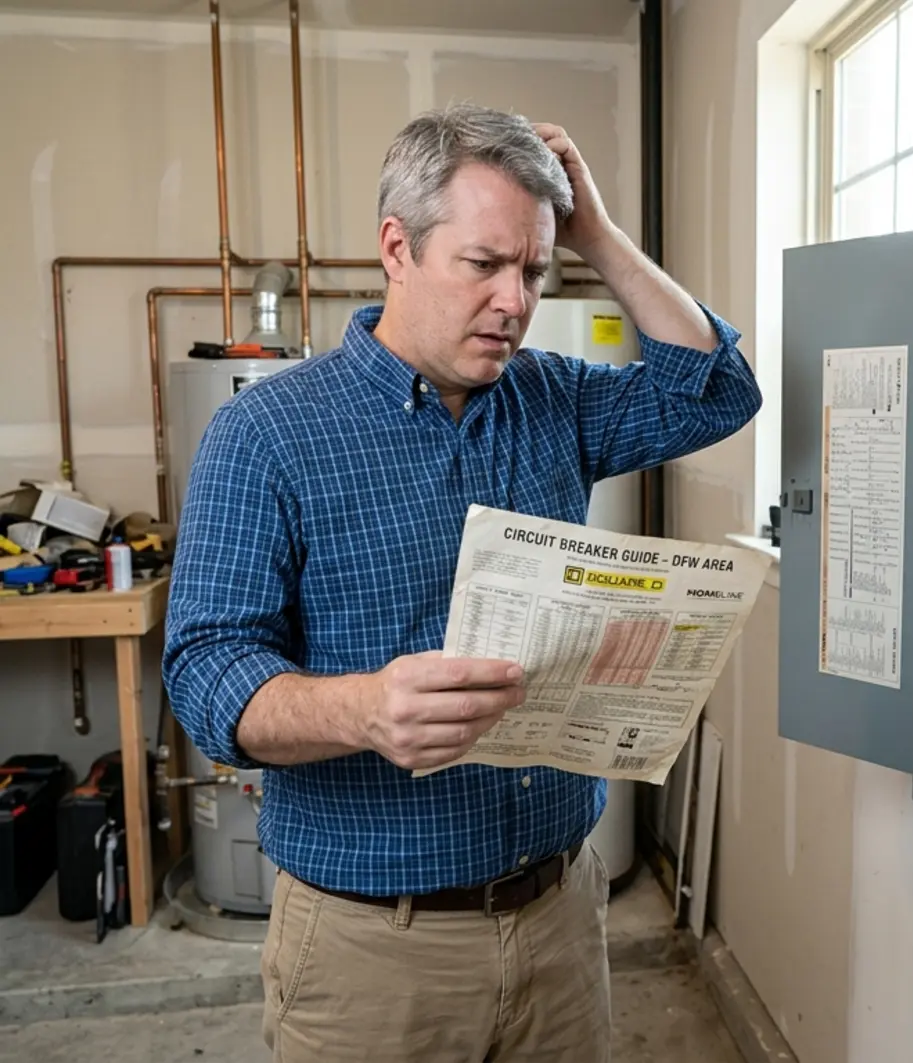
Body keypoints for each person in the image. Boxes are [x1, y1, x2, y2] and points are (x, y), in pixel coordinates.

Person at [162, 102, 761, 1061]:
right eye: (484, 265)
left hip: (561, 918)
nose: (516, 302)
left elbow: (718, 389)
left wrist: (594, 234)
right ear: (397, 249)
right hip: (372, 956)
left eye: (534, 269)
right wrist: (362, 708)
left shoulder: (551, 397)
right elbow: (203, 673)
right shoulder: (267, 433)